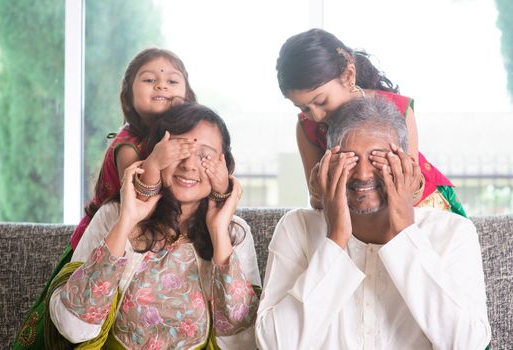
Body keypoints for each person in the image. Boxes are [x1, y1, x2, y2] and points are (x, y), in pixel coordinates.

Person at [255, 98, 490, 349]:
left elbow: (468, 343)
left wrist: (405, 235)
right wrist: (335, 240)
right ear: (327, 164)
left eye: (378, 158)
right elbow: (273, 344)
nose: (363, 174)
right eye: (350, 159)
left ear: (407, 165)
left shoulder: (452, 232)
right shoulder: (296, 227)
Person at [13, 48, 207, 349]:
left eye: (172, 81)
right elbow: (141, 195)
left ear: (188, 95)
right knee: (82, 311)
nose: (161, 86)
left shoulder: (180, 139)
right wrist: (155, 164)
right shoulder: (128, 146)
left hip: (146, 241)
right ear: (128, 97)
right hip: (105, 239)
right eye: (149, 80)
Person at [48, 103, 261, 349]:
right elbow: (74, 328)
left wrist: (218, 231)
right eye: (178, 150)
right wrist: (127, 221)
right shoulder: (113, 215)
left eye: (205, 156)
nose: (189, 165)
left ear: (226, 167)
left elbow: (242, 340)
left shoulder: (235, 232)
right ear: (154, 155)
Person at [276, 28, 465, 216]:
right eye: (304, 108)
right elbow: (317, 201)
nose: (315, 116)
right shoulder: (306, 127)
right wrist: (325, 184)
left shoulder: (397, 108)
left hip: (419, 206)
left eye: (321, 101)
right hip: (355, 216)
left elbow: (410, 191)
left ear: (349, 75)